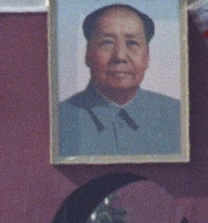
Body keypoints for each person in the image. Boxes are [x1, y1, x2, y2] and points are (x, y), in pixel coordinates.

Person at [58, 3, 180, 157]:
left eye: (132, 43)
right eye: (107, 42)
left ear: (147, 56)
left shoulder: (176, 116)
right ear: (87, 54)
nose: (120, 56)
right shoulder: (61, 120)